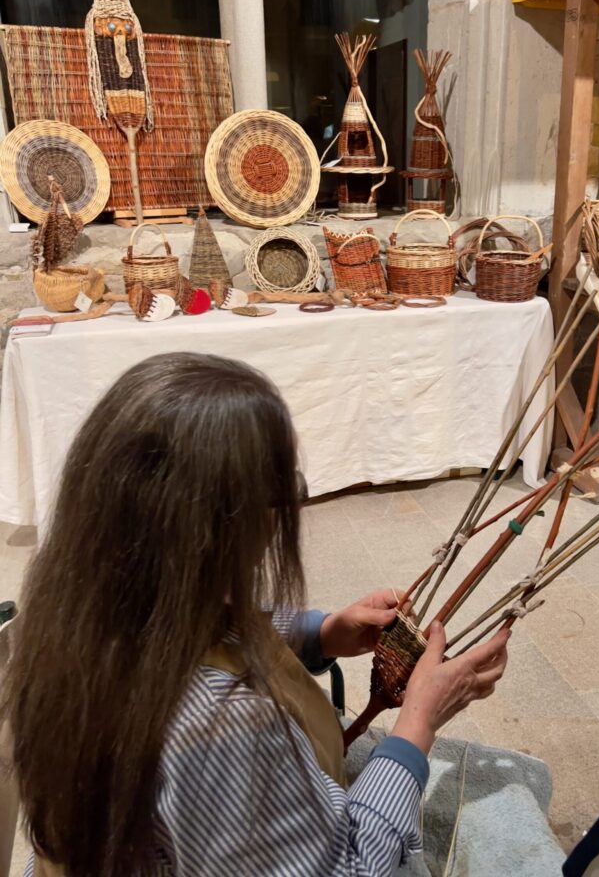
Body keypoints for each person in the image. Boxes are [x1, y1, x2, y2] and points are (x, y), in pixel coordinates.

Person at [2, 353, 510, 877]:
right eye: (288, 489)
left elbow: (200, 627)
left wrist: (321, 633)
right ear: (224, 523)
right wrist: (418, 722)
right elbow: (349, 869)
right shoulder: (221, 728)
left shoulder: (77, 609)